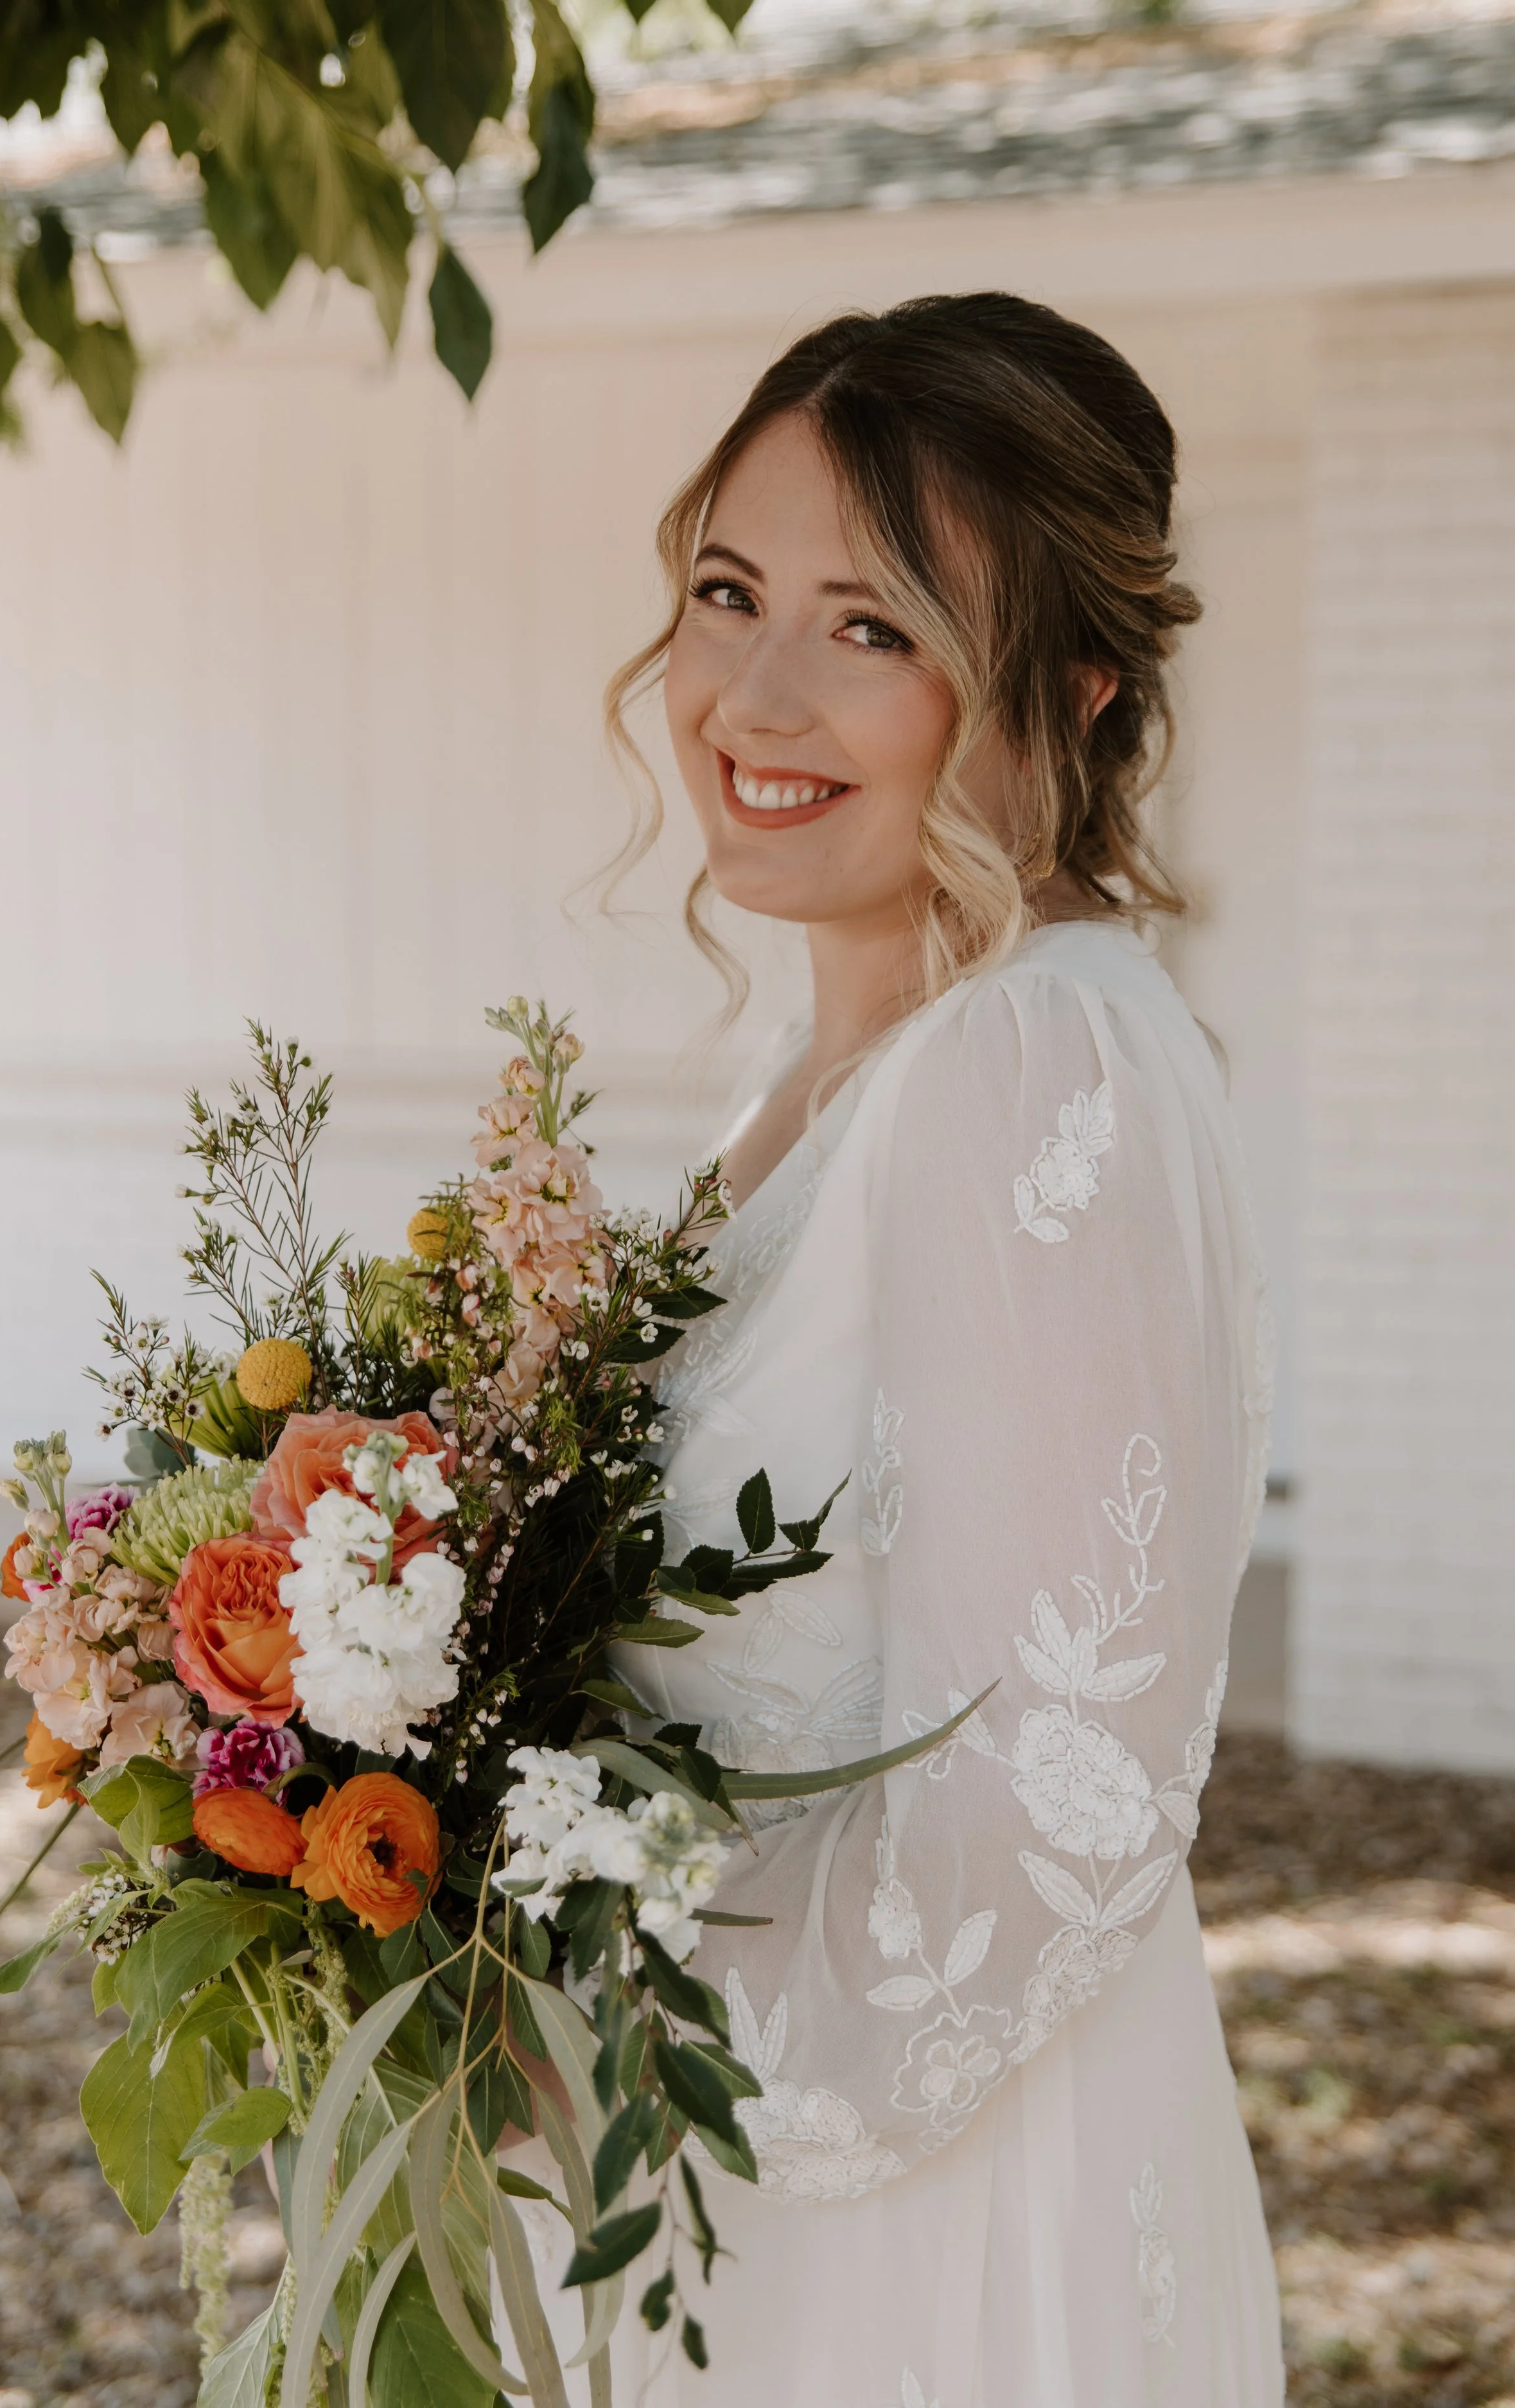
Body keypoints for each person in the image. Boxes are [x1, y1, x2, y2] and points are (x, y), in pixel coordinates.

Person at [597, 294, 1284, 2405]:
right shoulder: (835, 1075)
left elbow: (1055, 1804)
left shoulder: (1031, 1068)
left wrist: (585, 2060)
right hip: (724, 2190)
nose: (753, 691)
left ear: (1069, 681)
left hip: (904, 2229)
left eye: (871, 628)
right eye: (728, 592)